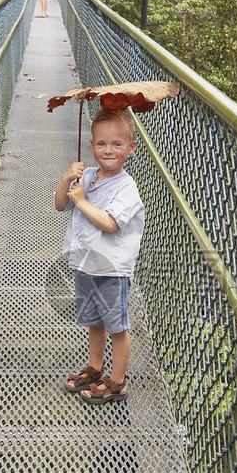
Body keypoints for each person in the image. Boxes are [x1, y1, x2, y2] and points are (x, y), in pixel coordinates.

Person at [55, 108, 145, 404]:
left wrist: (80, 201)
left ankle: (117, 382)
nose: (108, 150)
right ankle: (95, 368)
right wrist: (66, 179)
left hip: (111, 270)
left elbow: (109, 223)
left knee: (117, 326)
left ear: (131, 149)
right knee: (95, 321)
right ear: (92, 145)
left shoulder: (127, 188)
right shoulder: (87, 175)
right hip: (85, 265)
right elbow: (59, 205)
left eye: (117, 144)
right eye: (101, 144)